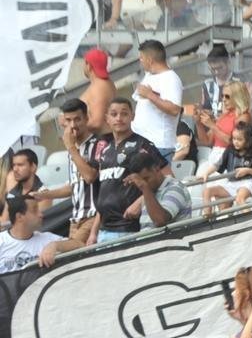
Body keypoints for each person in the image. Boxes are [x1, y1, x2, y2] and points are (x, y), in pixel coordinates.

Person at [87, 99, 168, 244]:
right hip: (104, 230)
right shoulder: (104, 148)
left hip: (129, 228)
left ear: (133, 116)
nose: (119, 118)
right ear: (107, 118)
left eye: (124, 114)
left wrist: (141, 201)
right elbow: (105, 193)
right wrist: (94, 232)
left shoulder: (143, 145)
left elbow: (167, 178)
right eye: (114, 114)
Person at [30, 99, 99, 241]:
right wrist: (45, 195)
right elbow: (75, 186)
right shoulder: (73, 148)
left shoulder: (98, 144)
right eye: (68, 120)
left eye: (77, 119)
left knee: (64, 250)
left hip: (93, 215)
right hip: (75, 219)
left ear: (86, 118)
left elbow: (90, 177)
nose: (73, 125)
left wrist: (71, 147)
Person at [131, 39, 183, 161]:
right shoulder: (149, 75)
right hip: (142, 142)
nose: (140, 61)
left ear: (149, 60)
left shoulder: (171, 78)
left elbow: (174, 109)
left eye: (141, 58)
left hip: (159, 145)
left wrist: (150, 95)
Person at [202, 121, 252, 213]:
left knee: (239, 199)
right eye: (234, 138)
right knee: (207, 191)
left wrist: (248, 170)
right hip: (230, 183)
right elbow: (217, 165)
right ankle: (208, 217)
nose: (236, 142)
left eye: (239, 139)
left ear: (248, 140)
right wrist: (206, 173)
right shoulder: (230, 150)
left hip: (246, 183)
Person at [0, 196, 71, 272]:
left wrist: (55, 246)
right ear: (19, 217)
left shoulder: (48, 239)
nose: (41, 214)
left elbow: (77, 244)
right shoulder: (1, 241)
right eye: (35, 210)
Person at [126, 150, 191, 229]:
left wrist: (144, 187)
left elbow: (160, 221)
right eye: (140, 181)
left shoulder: (175, 188)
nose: (145, 183)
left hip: (173, 236)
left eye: (146, 179)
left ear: (156, 169)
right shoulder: (150, 192)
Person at [79, 48, 116, 135]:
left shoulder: (99, 87)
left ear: (88, 65)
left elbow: (97, 122)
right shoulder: (105, 83)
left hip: (103, 139)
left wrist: (74, 129)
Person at [199, 43, 236, 117]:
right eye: (213, 69)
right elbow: (205, 108)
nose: (216, 72)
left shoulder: (239, 82)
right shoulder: (207, 84)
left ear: (228, 62)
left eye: (220, 68)